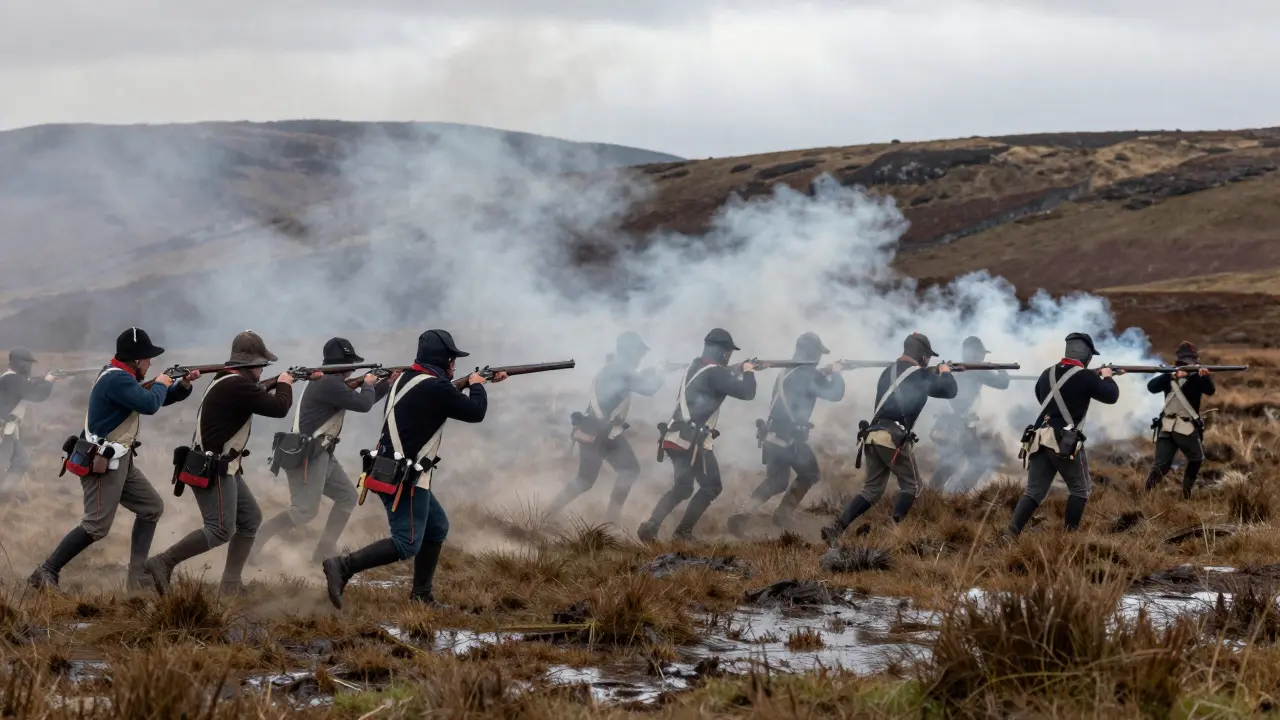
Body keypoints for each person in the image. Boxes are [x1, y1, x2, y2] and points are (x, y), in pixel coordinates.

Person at [322, 329, 507, 610]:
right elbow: (475, 412)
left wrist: (473, 382)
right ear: (443, 359)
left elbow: (436, 400)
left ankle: (421, 596)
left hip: (398, 471)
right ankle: (343, 566)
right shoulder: (435, 386)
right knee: (407, 543)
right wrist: (478, 384)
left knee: (437, 528)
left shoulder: (408, 378)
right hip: (403, 477)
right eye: (452, 359)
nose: (454, 364)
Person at [27, 329, 197, 590]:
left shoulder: (123, 377)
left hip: (120, 459)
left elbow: (152, 399)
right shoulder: (118, 380)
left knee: (151, 508)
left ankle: (137, 575)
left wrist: (182, 385)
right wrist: (163, 382)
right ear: (137, 360)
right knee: (96, 526)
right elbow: (150, 403)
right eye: (148, 359)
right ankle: (46, 571)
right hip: (103, 463)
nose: (151, 363)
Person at [144, 330, 295, 596]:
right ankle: (162, 562)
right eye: (261, 363)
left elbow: (256, 394)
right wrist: (284, 383)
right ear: (250, 362)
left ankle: (231, 585)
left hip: (222, 464)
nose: (262, 369)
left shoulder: (228, 380)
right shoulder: (236, 384)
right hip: (214, 467)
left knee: (250, 520)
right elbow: (279, 408)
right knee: (220, 530)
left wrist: (272, 384)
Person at [252, 338, 393, 565]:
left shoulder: (330, 383)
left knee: (347, 497)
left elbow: (363, 401)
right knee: (304, 512)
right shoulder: (330, 384)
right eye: (350, 364)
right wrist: (368, 382)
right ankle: (255, 543)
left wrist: (385, 383)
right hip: (308, 455)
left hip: (321, 453)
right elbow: (364, 404)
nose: (353, 369)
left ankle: (324, 551)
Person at [822, 333, 956, 544]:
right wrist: (946, 372)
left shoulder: (888, 372)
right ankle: (892, 533)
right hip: (892, 437)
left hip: (873, 435)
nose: (929, 360)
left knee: (872, 490)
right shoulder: (919, 375)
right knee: (912, 487)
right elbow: (950, 390)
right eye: (928, 356)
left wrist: (933, 373)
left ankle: (836, 528)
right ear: (922, 355)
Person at [638, 328, 757, 543]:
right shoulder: (716, 372)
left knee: (683, 488)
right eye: (729, 352)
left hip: (676, 437)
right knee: (712, 486)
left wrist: (737, 369)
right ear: (723, 353)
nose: (730, 356)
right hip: (691, 441)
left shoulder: (697, 366)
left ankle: (651, 525)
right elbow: (748, 393)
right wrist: (748, 370)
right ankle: (682, 534)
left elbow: (718, 379)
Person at [728, 332, 846, 536]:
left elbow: (808, 384)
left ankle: (742, 514)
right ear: (812, 352)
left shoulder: (788, 372)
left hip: (773, 434)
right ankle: (782, 514)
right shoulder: (807, 373)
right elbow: (835, 394)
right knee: (810, 473)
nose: (819, 357)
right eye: (818, 352)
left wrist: (824, 372)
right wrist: (836, 372)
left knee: (777, 482)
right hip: (790, 438)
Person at [1004, 332, 1119, 537]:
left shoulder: (1046, 373)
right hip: (1064, 442)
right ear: (1086, 354)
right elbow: (1111, 396)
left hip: (1039, 438)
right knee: (1080, 490)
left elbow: (1042, 398)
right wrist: (1108, 376)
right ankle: (1068, 538)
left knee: (1033, 492)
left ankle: (1009, 535)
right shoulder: (1086, 376)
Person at [546, 332, 663, 524]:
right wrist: (661, 373)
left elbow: (634, 381)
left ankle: (610, 520)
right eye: (639, 353)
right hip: (600, 432)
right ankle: (552, 515)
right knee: (587, 480)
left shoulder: (616, 368)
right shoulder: (622, 370)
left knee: (624, 471)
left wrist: (652, 372)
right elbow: (649, 389)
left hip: (604, 431)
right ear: (631, 352)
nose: (641, 356)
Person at [928, 336, 1011, 493]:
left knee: (949, 463)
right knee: (974, 463)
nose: (983, 357)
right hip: (959, 426)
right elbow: (1003, 383)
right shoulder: (975, 371)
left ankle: (934, 496)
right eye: (980, 353)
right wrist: (1001, 368)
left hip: (949, 424)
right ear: (973, 354)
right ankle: (952, 494)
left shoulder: (954, 368)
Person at [1144, 341, 1214, 499]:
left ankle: (1186, 493)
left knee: (1194, 458)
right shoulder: (1169, 374)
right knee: (1162, 465)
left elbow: (1210, 390)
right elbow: (1151, 387)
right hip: (1169, 426)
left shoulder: (1197, 376)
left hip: (1183, 426)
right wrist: (1172, 375)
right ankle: (1146, 494)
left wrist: (1204, 377)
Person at [0, 348, 58, 493]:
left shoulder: (12, 379)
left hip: (9, 429)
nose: (29, 366)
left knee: (21, 462)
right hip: (3, 429)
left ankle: (3, 494)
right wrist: (49, 382)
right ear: (19, 363)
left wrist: (43, 380)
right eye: (27, 363)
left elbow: (28, 387)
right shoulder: (12, 379)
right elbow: (37, 395)